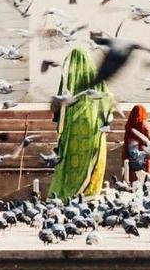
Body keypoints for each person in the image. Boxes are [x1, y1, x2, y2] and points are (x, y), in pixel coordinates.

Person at [49, 48, 117, 200]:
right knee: (91, 161)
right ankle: (88, 193)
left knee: (70, 162)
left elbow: (59, 103)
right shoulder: (96, 78)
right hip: (94, 128)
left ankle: (69, 192)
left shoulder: (69, 76)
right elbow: (108, 100)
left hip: (72, 129)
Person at [121, 104, 150, 182]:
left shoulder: (129, 125)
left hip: (132, 155)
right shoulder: (145, 124)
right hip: (145, 156)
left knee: (134, 180)